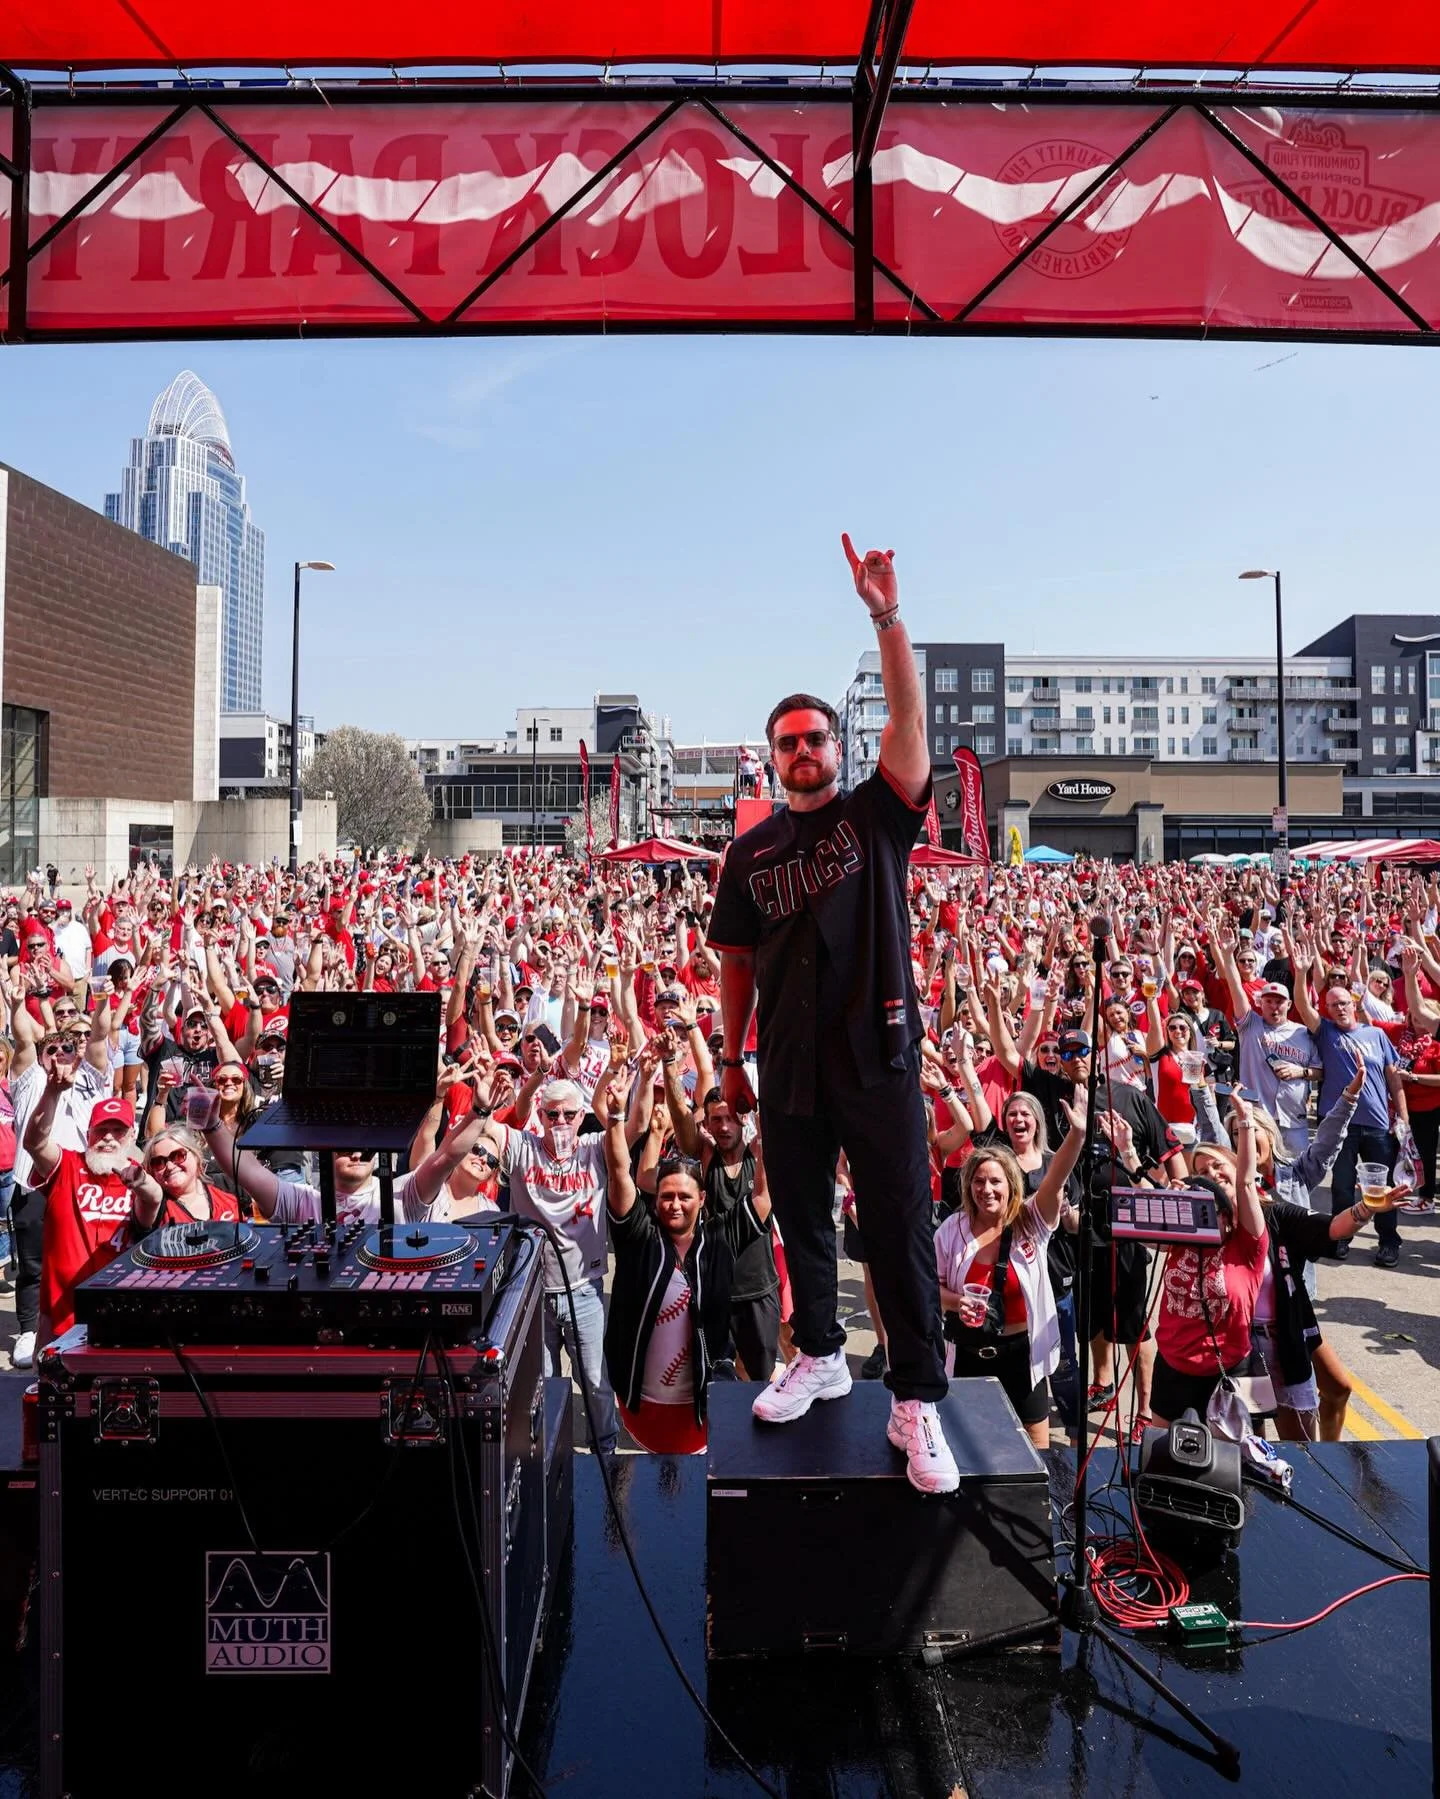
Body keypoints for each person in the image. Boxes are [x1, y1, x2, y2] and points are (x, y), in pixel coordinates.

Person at [708, 535, 956, 1495]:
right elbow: (735, 962)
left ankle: (916, 1399)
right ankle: (818, 1353)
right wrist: (729, 1058)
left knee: (897, 1225)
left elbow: (909, 715)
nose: (805, 751)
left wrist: (886, 615)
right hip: (788, 1060)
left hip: (879, 1052)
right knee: (805, 1216)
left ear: (837, 749)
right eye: (789, 742)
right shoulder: (750, 852)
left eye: (816, 738)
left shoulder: (876, 814)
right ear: (772, 757)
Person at [601, 1065, 774, 1454]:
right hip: (642, 1406)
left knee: (697, 1484)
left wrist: (765, 1136)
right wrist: (615, 1118)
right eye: (666, 1196)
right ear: (655, 1201)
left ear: (702, 1199)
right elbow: (618, 1173)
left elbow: (762, 1198)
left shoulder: (720, 1238)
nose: (674, 1204)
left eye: (684, 1196)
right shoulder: (638, 1236)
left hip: (698, 1412)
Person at [934, 1097, 1086, 1448]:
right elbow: (930, 1287)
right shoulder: (952, 1230)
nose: (986, 1189)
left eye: (995, 1182)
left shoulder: (1031, 1221)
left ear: (1011, 1185)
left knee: (1037, 1450)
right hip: (969, 1356)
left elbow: (1054, 1180)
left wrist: (1076, 1135)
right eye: (979, 1181)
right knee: (972, 1447)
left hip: (1023, 1357)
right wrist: (957, 1302)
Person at [496, 1072, 621, 1458]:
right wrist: (501, 1096)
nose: (561, 1122)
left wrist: (623, 1105)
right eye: (552, 1115)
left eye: (569, 1114)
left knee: (595, 1381)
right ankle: (551, 1455)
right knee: (544, 1384)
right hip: (533, 1291)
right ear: (541, 1115)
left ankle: (605, 1450)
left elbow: (631, 1134)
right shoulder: (524, 1148)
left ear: (582, 1116)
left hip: (583, 1288)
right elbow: (488, 1130)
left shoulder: (594, 1147)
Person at [1150, 1097, 1269, 1429]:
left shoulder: (1248, 1240)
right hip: (1173, 1368)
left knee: (1236, 1457)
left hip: (1229, 1370)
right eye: (1202, 1173)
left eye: (1218, 1167)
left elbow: (1246, 1183)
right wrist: (1170, 1205)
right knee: (1163, 1453)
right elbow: (1139, 1226)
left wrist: (1245, 1123)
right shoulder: (1183, 1232)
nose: (1211, 1177)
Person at [1290, 938, 1408, 1270]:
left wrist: (1403, 1117)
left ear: (1353, 1003)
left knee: (1382, 1188)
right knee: (1342, 1187)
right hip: (1340, 1124)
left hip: (1377, 1124)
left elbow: (1394, 1078)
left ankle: (1388, 1242)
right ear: (1327, 1010)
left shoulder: (1376, 1035)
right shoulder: (1326, 1032)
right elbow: (1302, 1004)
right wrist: (1301, 974)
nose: (1339, 1008)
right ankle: (1342, 1237)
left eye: (1343, 1003)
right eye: (1333, 1005)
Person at [663, 1076, 780, 1382]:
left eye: (730, 1118)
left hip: (757, 1287)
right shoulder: (705, 1155)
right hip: (716, 1287)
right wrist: (670, 1063)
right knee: (717, 1376)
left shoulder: (759, 1153)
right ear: (707, 1123)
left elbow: (765, 1197)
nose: (724, 1127)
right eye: (716, 1119)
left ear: (743, 1120)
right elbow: (680, 1116)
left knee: (761, 1379)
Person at [24, 1080, 155, 1342]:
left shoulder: (142, 1178)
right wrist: (52, 1091)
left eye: (118, 1131)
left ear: (131, 1136)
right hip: (61, 1314)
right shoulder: (67, 1166)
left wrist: (144, 1184)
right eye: (101, 1129)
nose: (108, 1137)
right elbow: (35, 1143)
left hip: (121, 1315)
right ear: (88, 1133)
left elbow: (154, 1202)